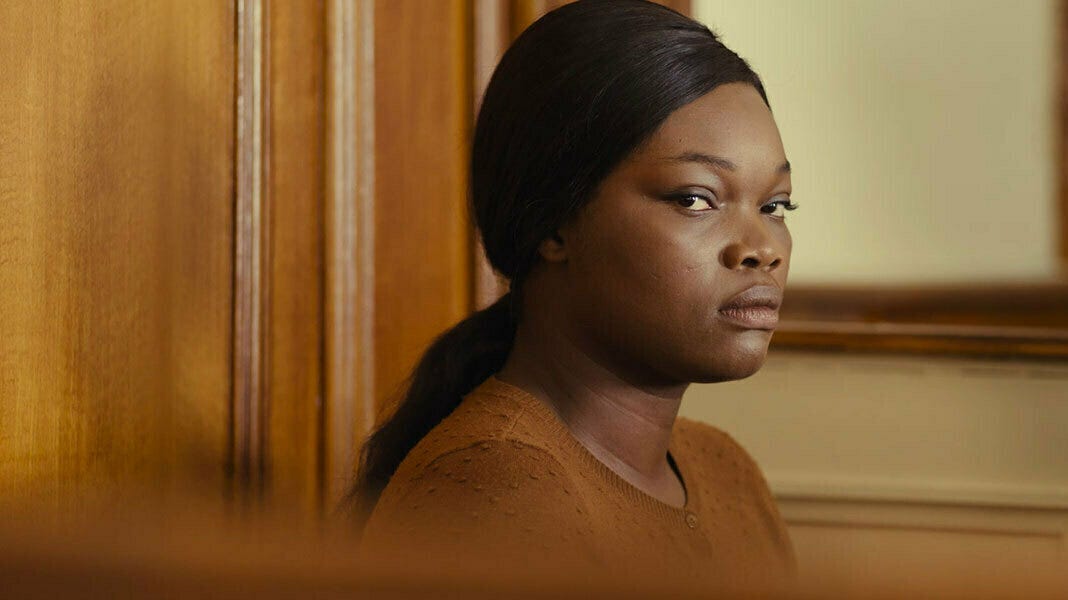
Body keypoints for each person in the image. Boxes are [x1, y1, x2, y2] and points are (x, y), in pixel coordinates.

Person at [347, 0, 797, 591]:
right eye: (695, 198)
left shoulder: (726, 471)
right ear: (556, 222)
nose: (762, 248)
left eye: (775, 206)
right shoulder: (489, 494)